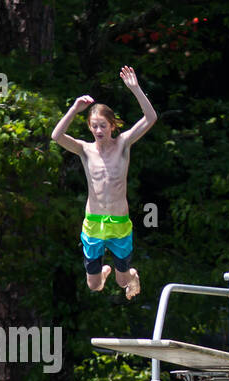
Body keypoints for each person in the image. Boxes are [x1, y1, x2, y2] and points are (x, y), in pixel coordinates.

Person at [51, 66, 157, 298]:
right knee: (94, 285)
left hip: (119, 222)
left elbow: (150, 118)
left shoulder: (123, 144)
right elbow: (56, 136)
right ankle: (104, 272)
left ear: (112, 126)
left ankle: (132, 275)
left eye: (103, 126)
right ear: (89, 127)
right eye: (94, 126)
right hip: (93, 223)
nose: (98, 130)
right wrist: (74, 109)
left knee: (122, 282)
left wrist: (136, 89)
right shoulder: (85, 150)